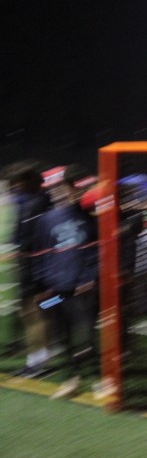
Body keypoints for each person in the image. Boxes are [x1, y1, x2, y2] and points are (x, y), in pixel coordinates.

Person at [32, 164, 99, 399]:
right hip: (57, 291)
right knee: (62, 333)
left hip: (84, 289)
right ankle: (71, 379)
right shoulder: (46, 220)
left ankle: (98, 378)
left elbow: (96, 252)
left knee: (89, 332)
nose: (80, 192)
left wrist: (89, 278)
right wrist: (42, 285)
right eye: (77, 187)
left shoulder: (91, 218)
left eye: (85, 187)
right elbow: (40, 254)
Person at [8, 161, 53, 378]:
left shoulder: (39, 204)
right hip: (28, 264)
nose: (16, 187)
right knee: (29, 312)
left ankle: (38, 363)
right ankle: (36, 359)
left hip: (37, 265)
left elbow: (39, 238)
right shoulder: (31, 203)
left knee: (35, 311)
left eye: (18, 183)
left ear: (27, 182)